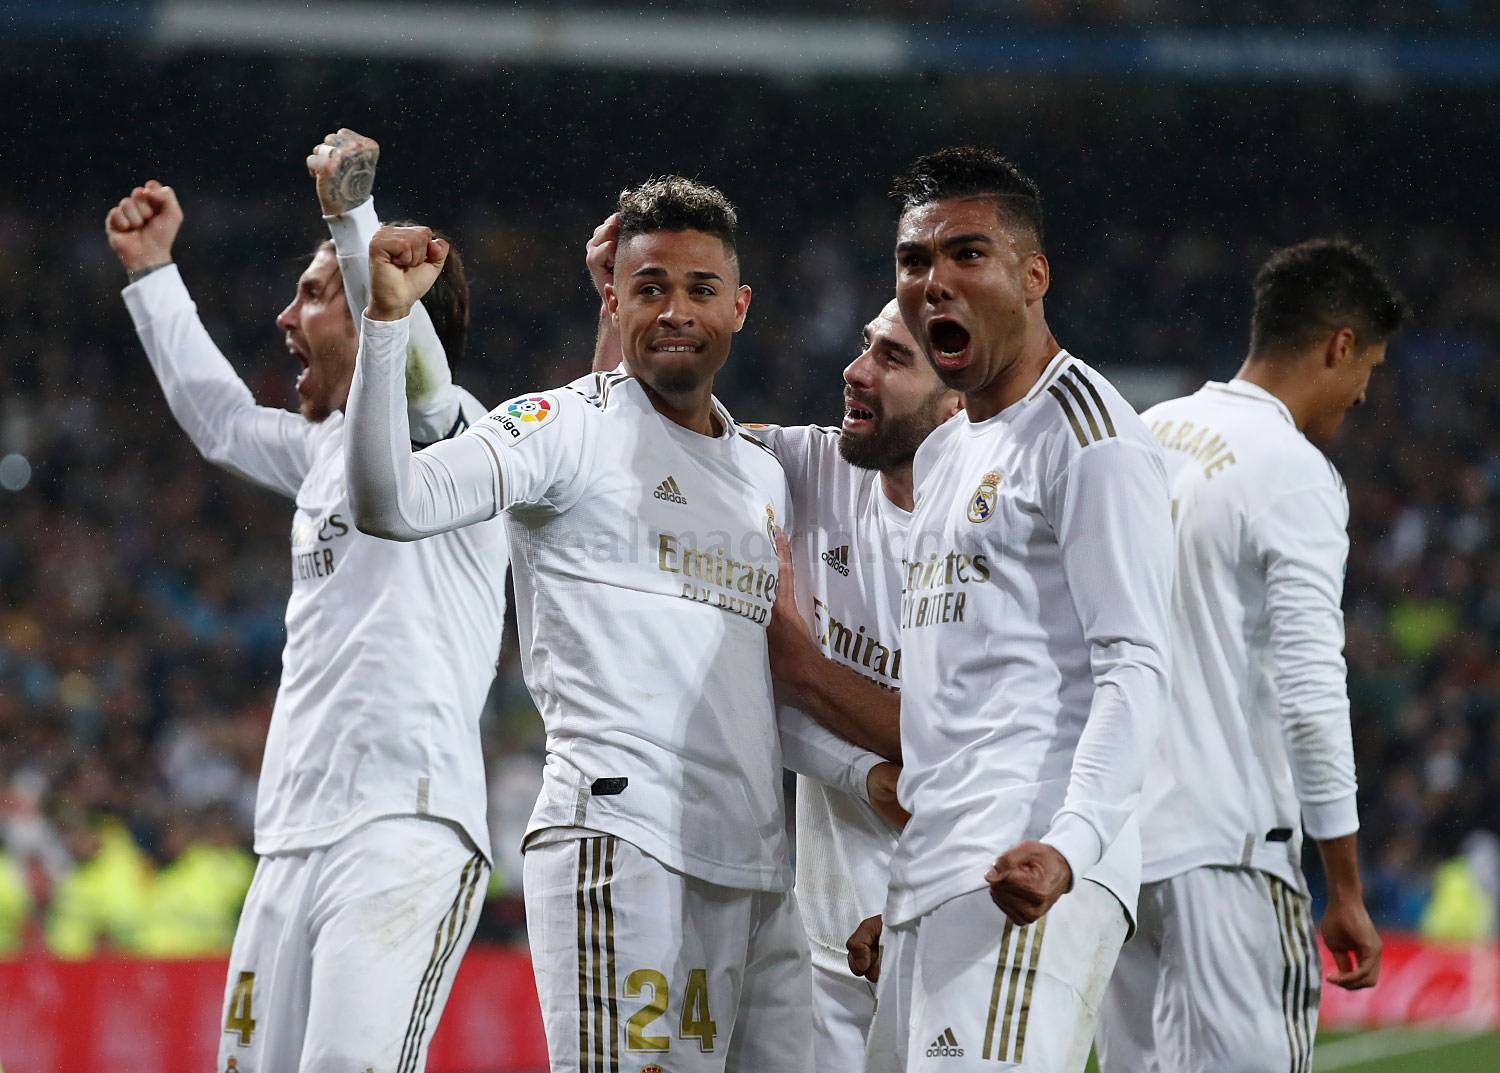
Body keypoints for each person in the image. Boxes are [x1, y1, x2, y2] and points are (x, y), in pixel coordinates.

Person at [344, 177, 896, 1072]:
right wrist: (382, 324)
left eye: (700, 290)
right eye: (649, 289)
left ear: (741, 308)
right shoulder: (562, 426)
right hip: (622, 846)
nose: (675, 311)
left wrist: (863, 769)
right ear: (615, 299)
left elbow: (758, 687)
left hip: (760, 873)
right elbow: (389, 501)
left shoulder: (760, 475)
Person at [105, 128, 507, 1072]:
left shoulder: (454, 434)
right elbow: (218, 420)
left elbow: (407, 357)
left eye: (314, 293)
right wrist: (154, 274)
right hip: (290, 837)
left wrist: (352, 216)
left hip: (404, 828)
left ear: (388, 307)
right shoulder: (323, 450)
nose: (286, 317)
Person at [847, 146, 1174, 1073]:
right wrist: (906, 894)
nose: (935, 282)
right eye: (914, 262)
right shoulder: (953, 448)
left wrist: (1067, 845)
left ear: (1033, 276)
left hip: (1028, 870)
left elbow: (1135, 663)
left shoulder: (1092, 437)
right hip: (941, 881)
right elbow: (961, 700)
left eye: (967, 255)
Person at [1096, 238, 1404, 1073]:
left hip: (1118, 854)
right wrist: (1342, 882)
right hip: (1230, 850)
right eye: (1367, 366)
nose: (1365, 391)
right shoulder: (1294, 471)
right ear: (1338, 344)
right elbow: (1311, 689)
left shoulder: (1147, 430)